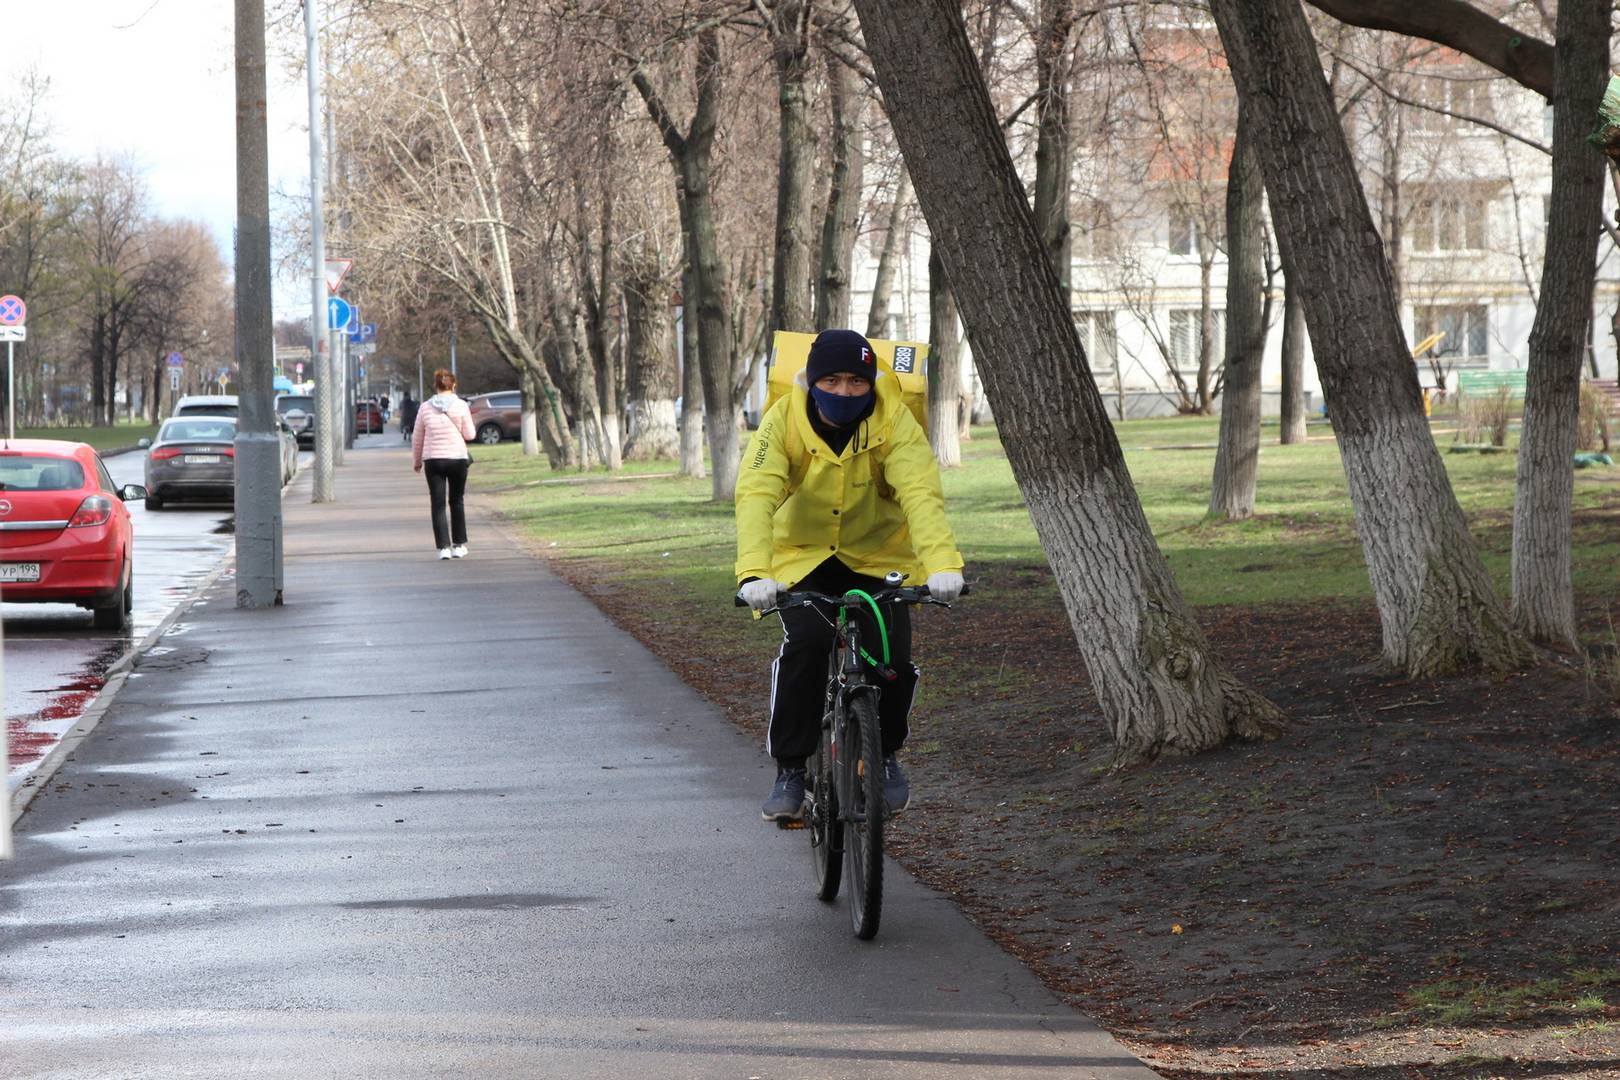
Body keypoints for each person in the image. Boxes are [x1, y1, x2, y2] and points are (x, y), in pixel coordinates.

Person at [735, 328, 965, 823]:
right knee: (807, 645)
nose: (844, 392)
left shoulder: (895, 421)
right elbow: (756, 495)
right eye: (832, 380)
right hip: (803, 556)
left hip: (878, 556)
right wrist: (755, 572)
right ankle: (791, 769)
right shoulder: (782, 422)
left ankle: (882, 756)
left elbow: (921, 495)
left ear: (872, 381)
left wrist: (944, 564)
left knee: (893, 659)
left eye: (857, 381)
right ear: (813, 381)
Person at [412, 369, 475, 560]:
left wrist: (417, 462)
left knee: (437, 504)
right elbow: (470, 434)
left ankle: (443, 548)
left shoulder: (425, 407)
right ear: (453, 385)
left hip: (433, 461)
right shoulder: (461, 405)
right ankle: (458, 545)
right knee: (457, 500)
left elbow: (417, 437)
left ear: (436, 386)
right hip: (457, 459)